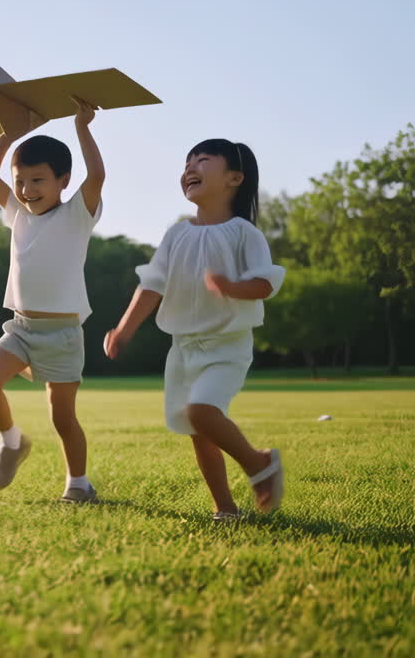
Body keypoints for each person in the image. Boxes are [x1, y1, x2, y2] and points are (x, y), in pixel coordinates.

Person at [103, 139, 286, 520]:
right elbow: (152, 284)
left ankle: (259, 463)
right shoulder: (176, 234)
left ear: (234, 178)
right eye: (187, 162)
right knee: (197, 430)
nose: (190, 168)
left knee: (202, 411)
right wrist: (123, 330)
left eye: (202, 160)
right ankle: (225, 509)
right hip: (183, 349)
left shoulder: (243, 233)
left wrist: (232, 288)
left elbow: (266, 283)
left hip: (227, 345)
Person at [0, 96, 104, 503]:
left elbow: (97, 175)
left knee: (63, 418)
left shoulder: (78, 213)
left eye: (38, 180)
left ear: (63, 180)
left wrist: (83, 127)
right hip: (22, 328)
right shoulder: (18, 213)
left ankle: (78, 484)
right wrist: (11, 133)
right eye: (20, 181)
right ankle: (12, 442)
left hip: (62, 334)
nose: (27, 190)